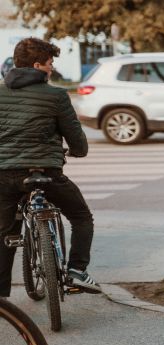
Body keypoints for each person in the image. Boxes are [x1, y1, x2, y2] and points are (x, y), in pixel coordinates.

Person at [0, 37, 100, 296]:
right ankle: (77, 271)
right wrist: (78, 151)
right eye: (49, 63)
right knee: (81, 217)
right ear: (36, 65)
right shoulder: (55, 95)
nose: (52, 68)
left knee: (5, 232)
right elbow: (75, 136)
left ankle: (1, 300)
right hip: (47, 172)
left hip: (5, 175)